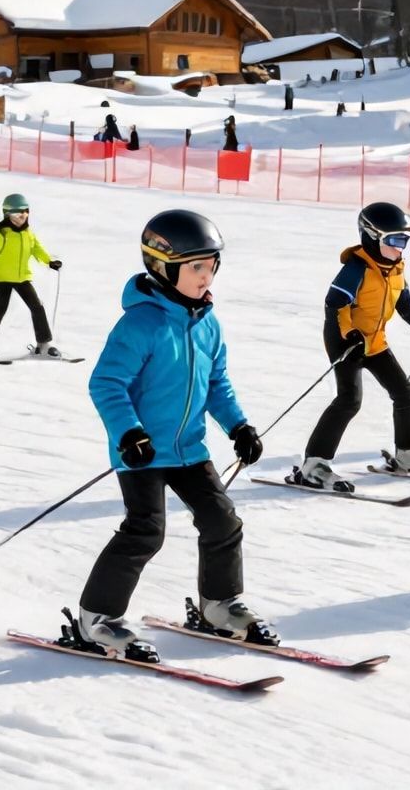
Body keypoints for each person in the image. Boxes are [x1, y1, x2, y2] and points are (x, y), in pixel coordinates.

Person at [74, 209, 271, 660]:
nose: (207, 276)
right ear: (162, 266)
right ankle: (96, 619)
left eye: (212, 266)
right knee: (145, 532)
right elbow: (106, 383)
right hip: (142, 452)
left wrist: (238, 425)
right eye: (197, 267)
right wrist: (129, 433)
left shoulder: (208, 323)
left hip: (189, 449)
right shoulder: (141, 324)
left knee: (223, 521)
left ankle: (218, 605)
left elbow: (216, 383)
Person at [300, 203, 410, 491]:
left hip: (375, 341)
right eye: (394, 240)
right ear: (372, 236)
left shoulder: (394, 269)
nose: (400, 248)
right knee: (349, 400)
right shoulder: (356, 268)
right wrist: (350, 333)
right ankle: (313, 464)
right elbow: (335, 303)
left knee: (405, 394)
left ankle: (408, 454)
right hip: (346, 341)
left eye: (404, 240)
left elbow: (405, 305)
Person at [0, 194, 62, 359]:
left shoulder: (28, 233)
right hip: (4, 278)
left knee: (37, 307)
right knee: (0, 308)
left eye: (25, 212)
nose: (22, 216)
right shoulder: (2, 235)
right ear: (7, 214)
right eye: (17, 213)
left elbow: (37, 249)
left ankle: (43, 344)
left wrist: (50, 261)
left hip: (22, 278)